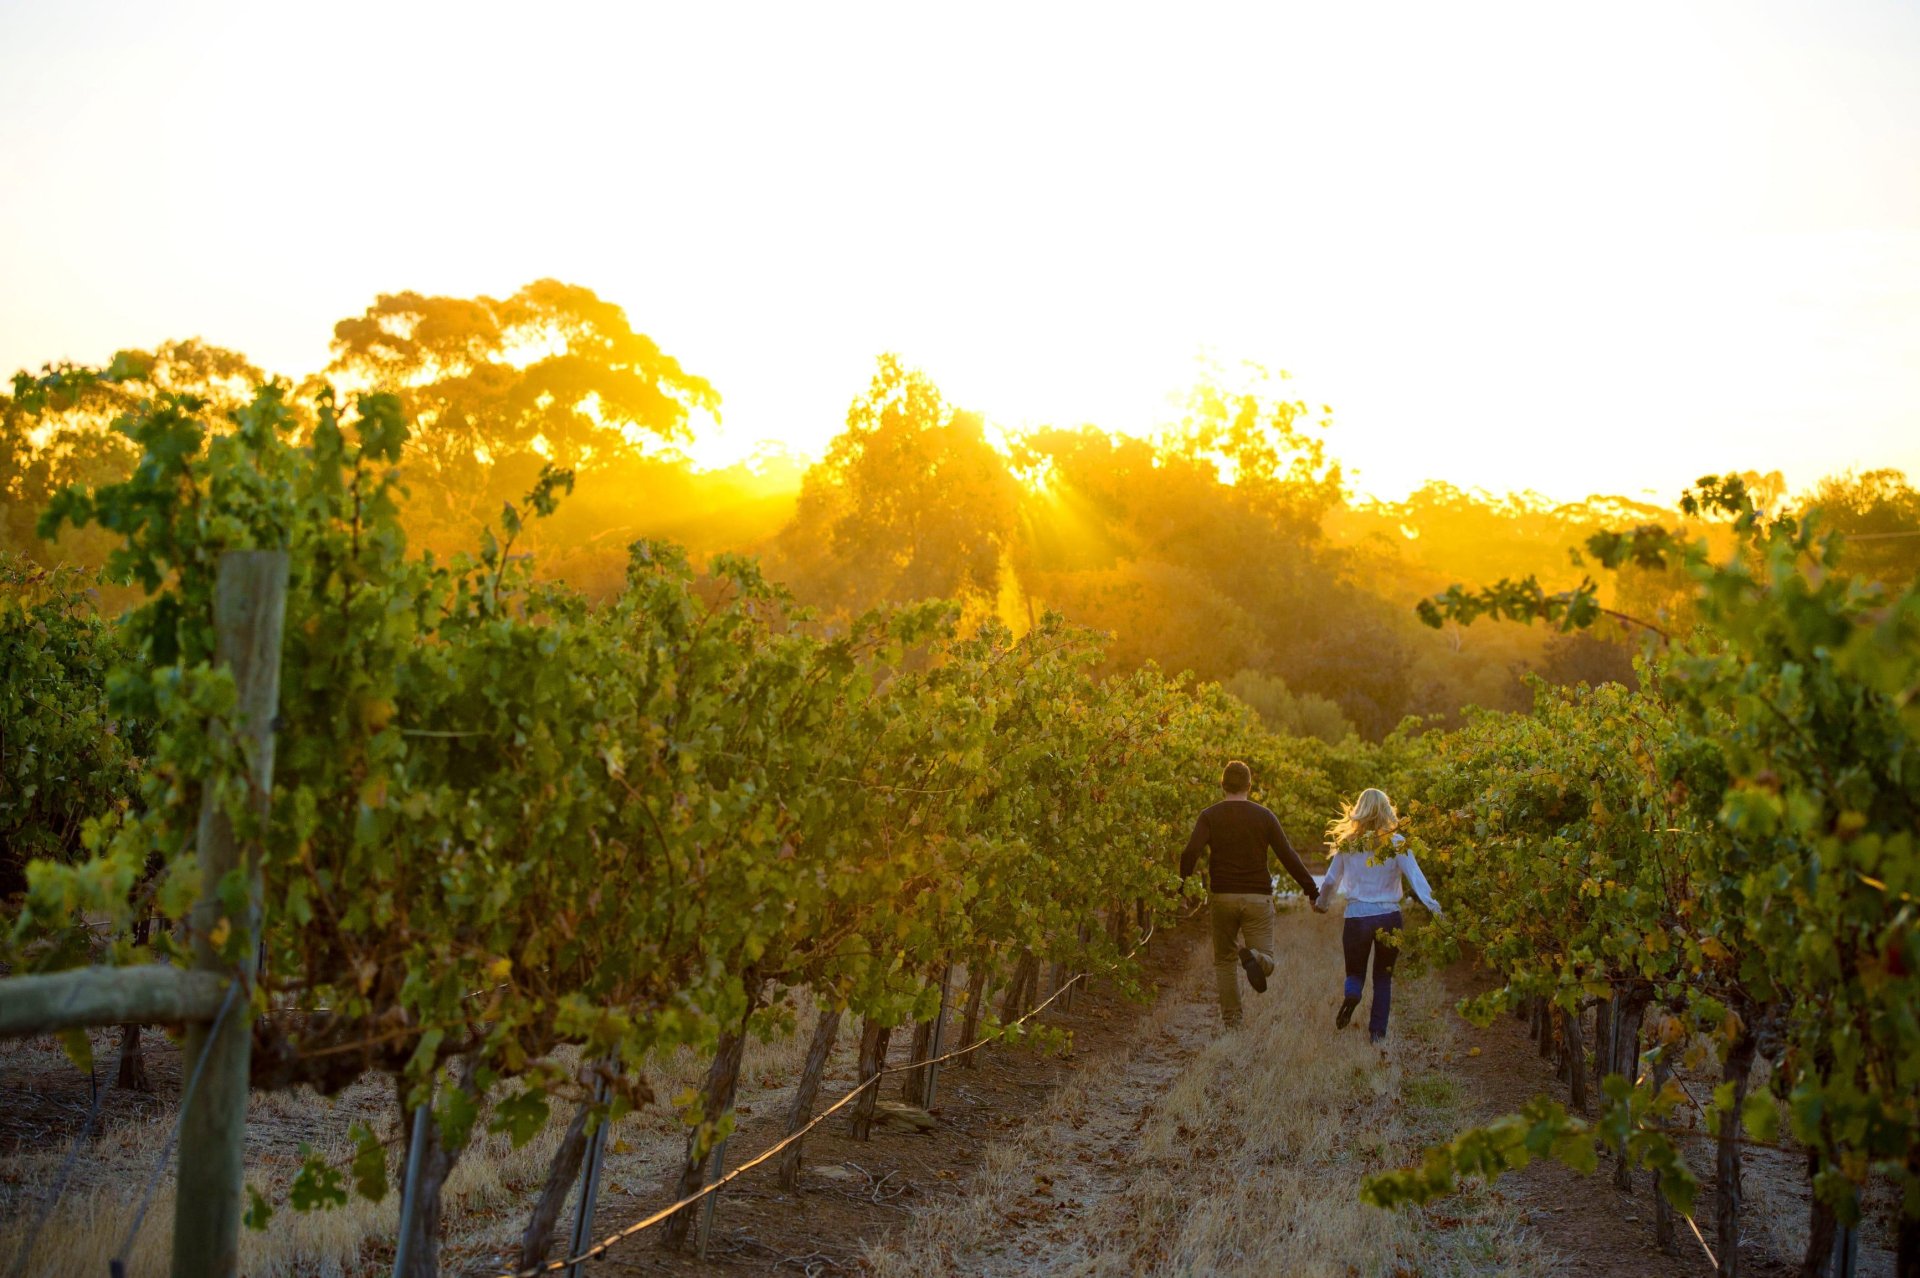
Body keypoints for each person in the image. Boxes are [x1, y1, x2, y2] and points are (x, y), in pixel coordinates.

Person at [1178, 759, 1320, 1030]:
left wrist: (1182, 888)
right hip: (1258, 898)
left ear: (1222, 785)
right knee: (1267, 957)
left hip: (1222, 897)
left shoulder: (1210, 815)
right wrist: (1311, 891)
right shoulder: (1264, 816)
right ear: (1249, 786)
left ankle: (1232, 1021)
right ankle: (1257, 959)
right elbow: (1287, 855)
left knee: (1224, 960)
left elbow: (1189, 852)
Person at [1312, 787, 1441, 1046]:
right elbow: (1417, 878)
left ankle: (1352, 994)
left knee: (1355, 972)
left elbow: (1329, 880)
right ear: (1386, 811)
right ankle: (1377, 1034)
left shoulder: (1348, 843)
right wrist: (1436, 909)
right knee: (1383, 977)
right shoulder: (1396, 843)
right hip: (1389, 917)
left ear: (1358, 811)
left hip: (1357, 917)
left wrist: (1322, 904)